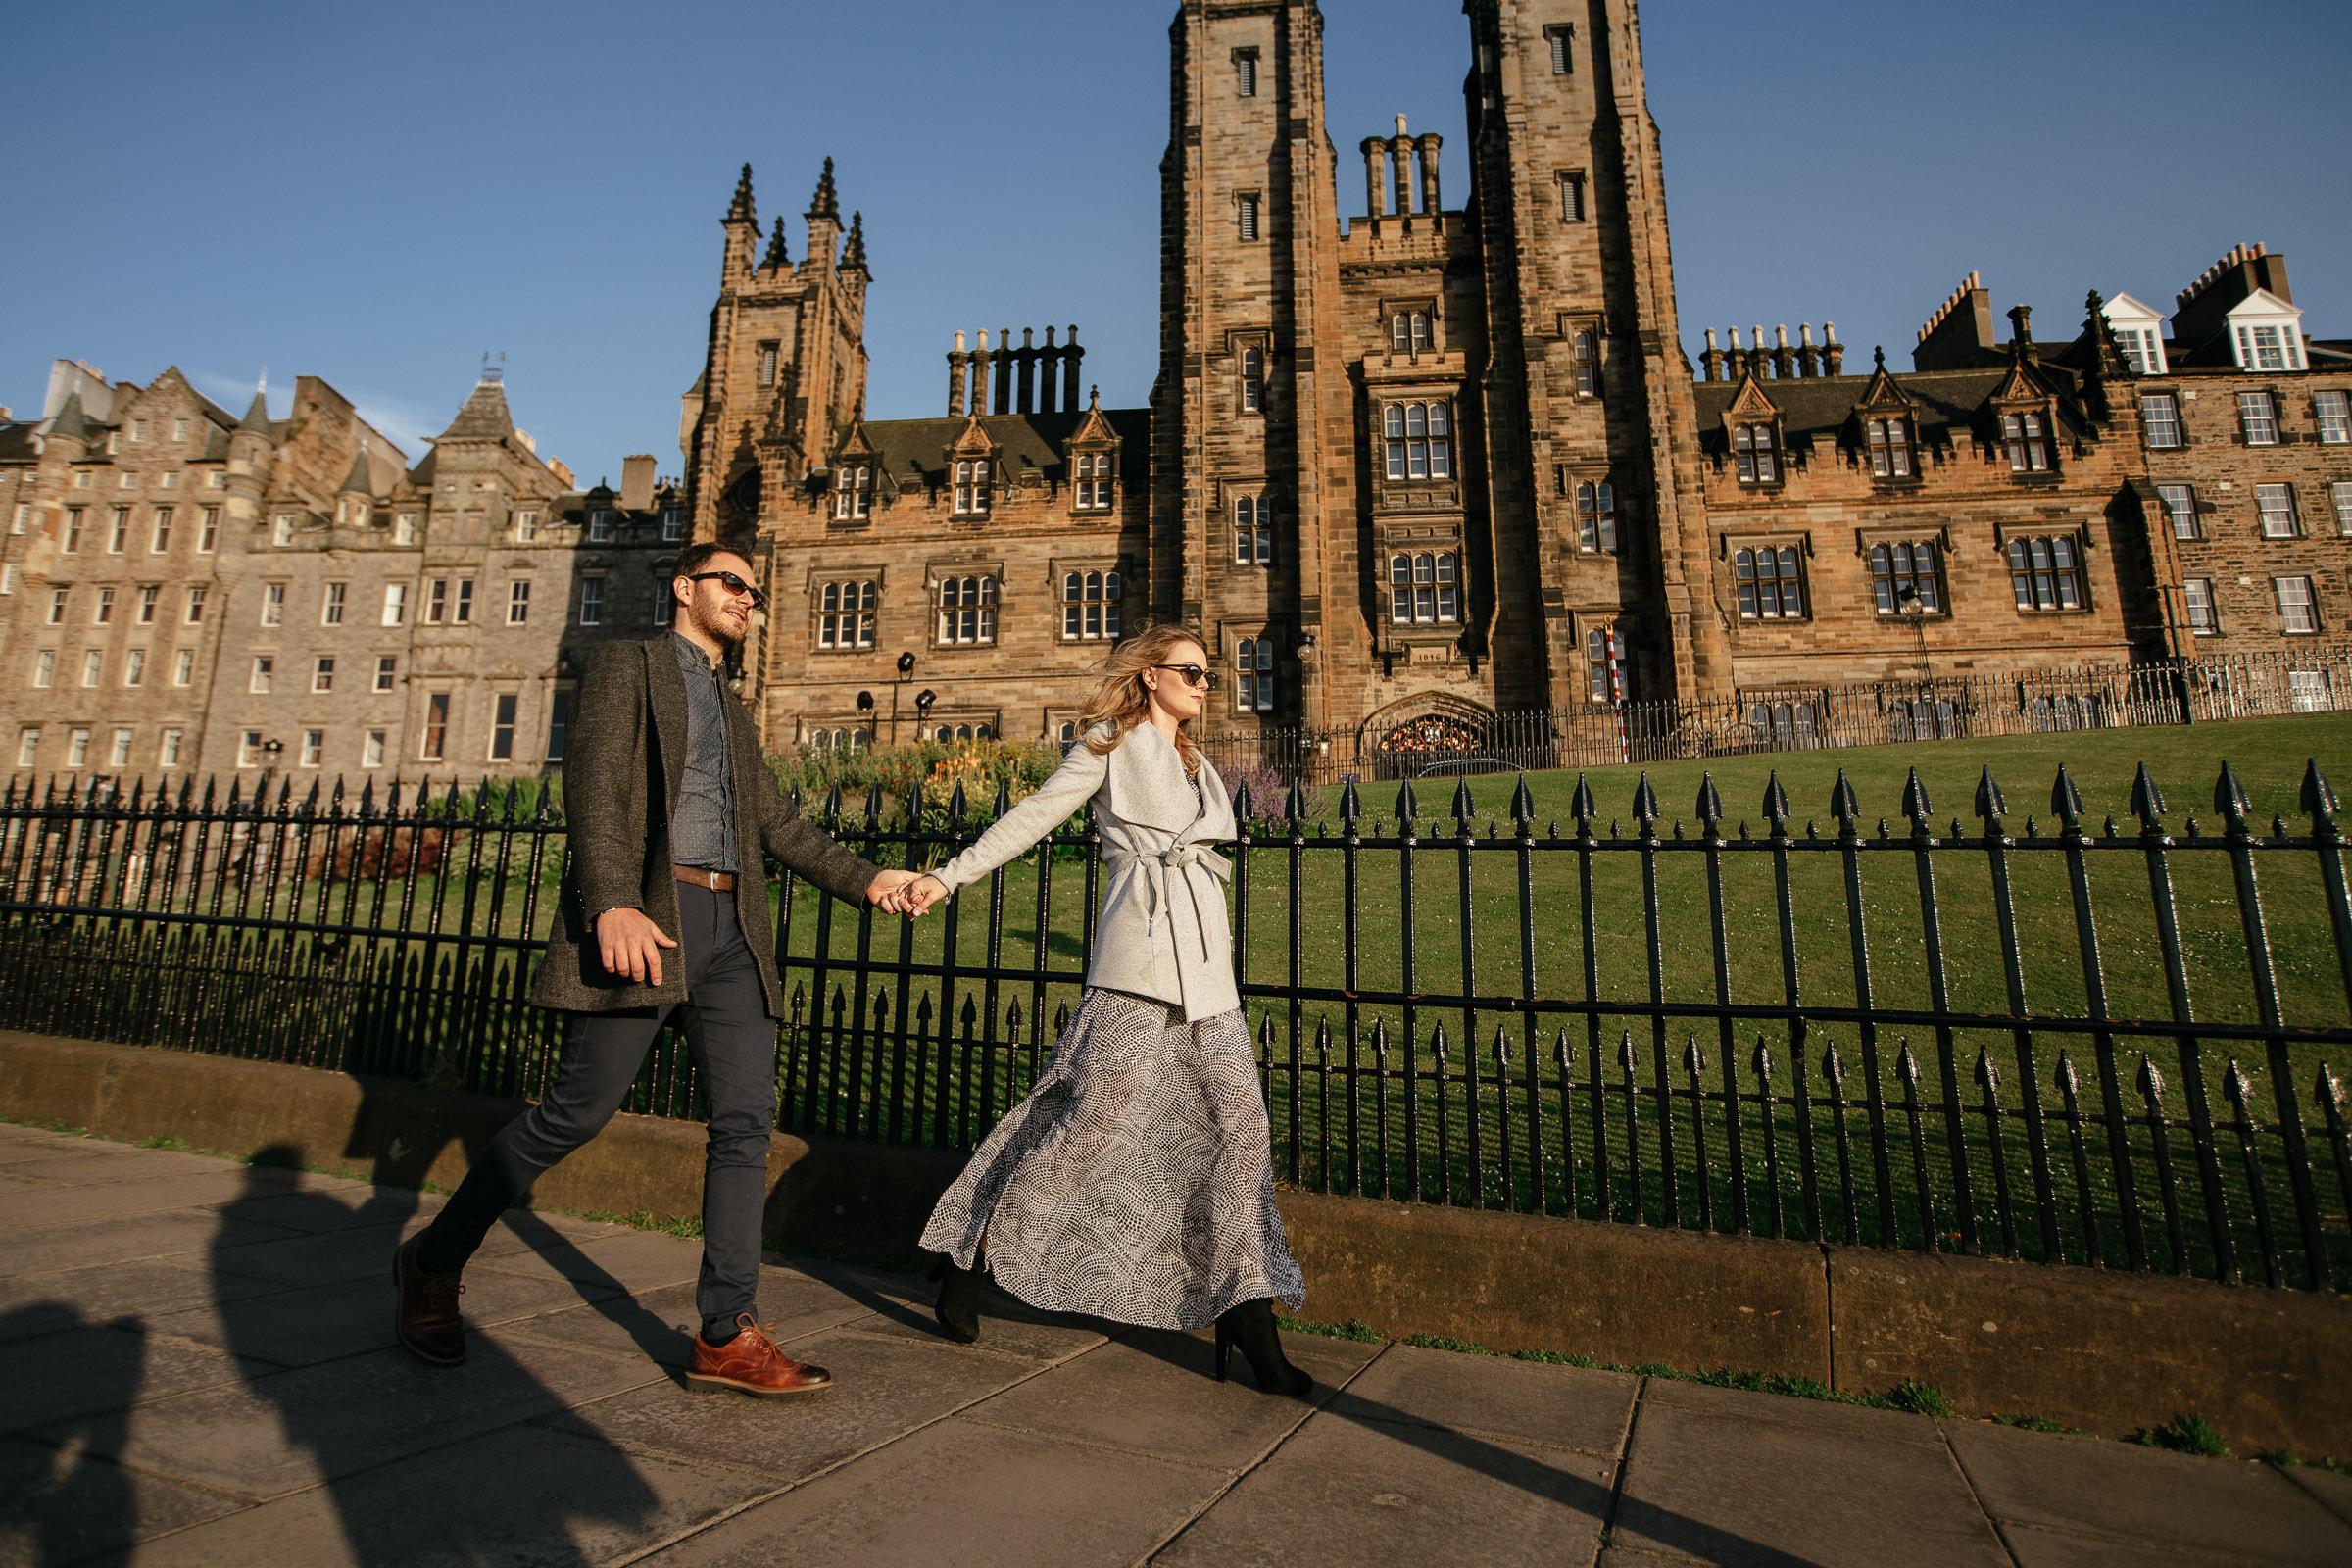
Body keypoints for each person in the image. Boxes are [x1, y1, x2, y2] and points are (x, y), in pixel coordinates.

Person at [392, 541, 921, 1396]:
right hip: (653, 915)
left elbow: (779, 827)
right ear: (685, 589)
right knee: (573, 1114)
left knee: (745, 1124)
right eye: (732, 583)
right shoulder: (626, 666)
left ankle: (724, 1333)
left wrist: (871, 882)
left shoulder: (731, 701)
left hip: (734, 927)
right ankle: (433, 1258)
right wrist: (611, 902)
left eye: (755, 589)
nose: (748, 598)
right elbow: (594, 787)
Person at [898, 623, 1310, 1396]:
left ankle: (1246, 1312)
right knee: (1098, 1117)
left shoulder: (1197, 763)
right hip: (1139, 960)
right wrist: (947, 878)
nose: (1204, 682)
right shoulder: (1107, 743)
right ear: (1150, 676)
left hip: (1207, 972)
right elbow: (1033, 817)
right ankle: (975, 1252)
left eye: (1208, 674)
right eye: (1190, 670)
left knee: (1243, 1129)